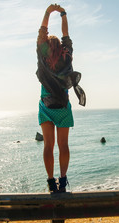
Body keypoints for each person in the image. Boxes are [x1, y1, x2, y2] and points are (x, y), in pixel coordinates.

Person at [36, 4, 86, 193]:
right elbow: (66, 33)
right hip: (63, 106)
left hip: (46, 105)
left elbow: (42, 31)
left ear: (46, 46)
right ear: (61, 47)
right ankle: (63, 181)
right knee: (63, 145)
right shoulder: (67, 54)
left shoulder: (42, 54)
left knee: (48, 145)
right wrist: (63, 14)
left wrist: (48, 12)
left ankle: (51, 183)